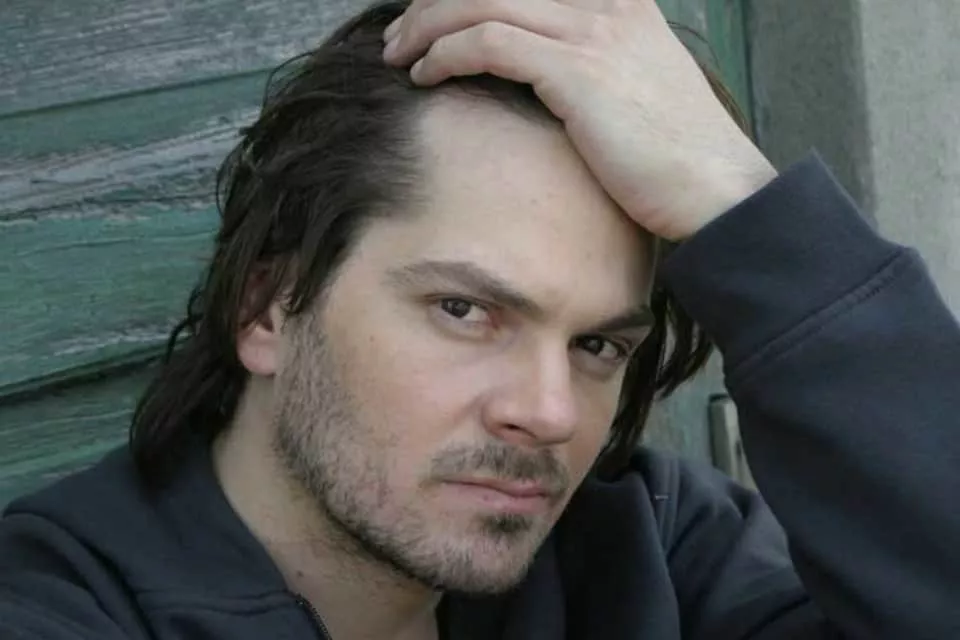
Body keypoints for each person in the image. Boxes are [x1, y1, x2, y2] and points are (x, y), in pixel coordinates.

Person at [1, 0, 958, 638]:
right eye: (464, 310)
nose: (548, 412)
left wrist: (744, 200)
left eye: (596, 344)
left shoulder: (659, 561)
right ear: (267, 308)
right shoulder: (58, 609)